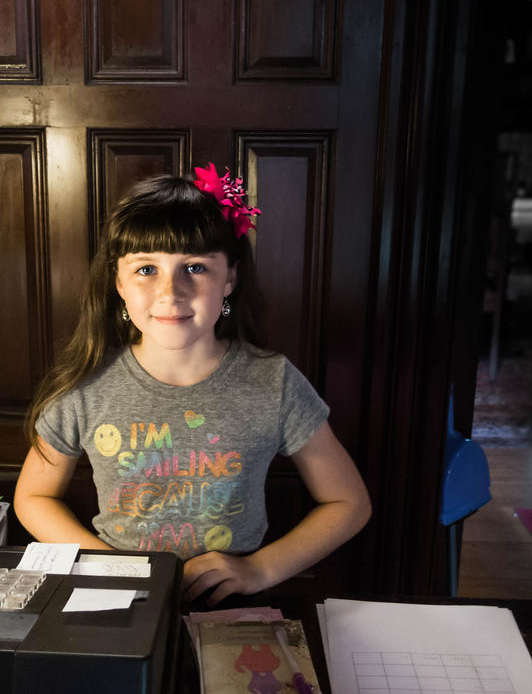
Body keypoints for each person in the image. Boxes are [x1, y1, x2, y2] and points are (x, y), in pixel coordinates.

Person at [14, 164, 371, 605]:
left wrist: (259, 569)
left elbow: (349, 502)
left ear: (230, 279)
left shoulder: (273, 382)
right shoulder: (87, 385)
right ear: (118, 282)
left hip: (232, 604)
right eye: (147, 269)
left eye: (196, 267)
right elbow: (32, 495)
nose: (171, 291)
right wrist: (112, 566)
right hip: (116, 597)